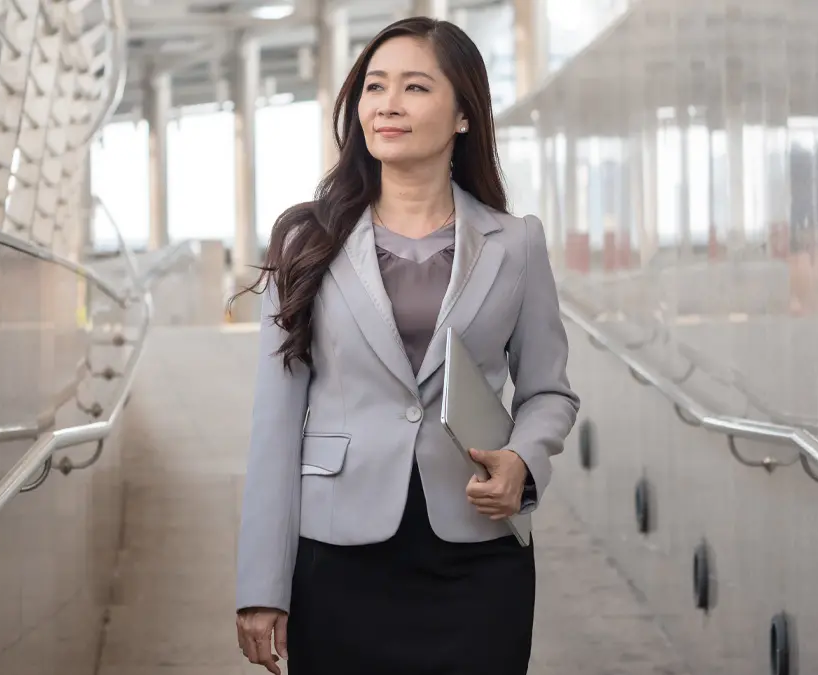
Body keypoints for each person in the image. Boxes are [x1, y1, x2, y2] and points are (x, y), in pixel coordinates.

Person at [232, 16, 580, 675]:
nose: (387, 104)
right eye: (374, 86)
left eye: (415, 87)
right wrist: (261, 585)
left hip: (478, 554)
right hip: (338, 553)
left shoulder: (518, 244)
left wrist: (522, 463)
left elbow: (548, 391)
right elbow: (274, 424)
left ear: (463, 116)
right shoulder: (306, 243)